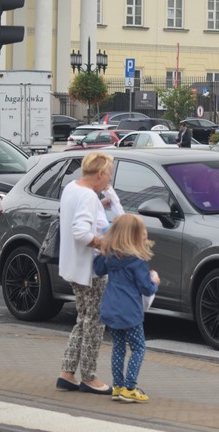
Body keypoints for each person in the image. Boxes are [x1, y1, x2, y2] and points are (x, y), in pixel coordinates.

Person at [56, 151, 122, 396]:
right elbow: (80, 232)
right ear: (100, 173)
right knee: (94, 322)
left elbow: (76, 217)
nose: (110, 181)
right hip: (91, 270)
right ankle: (90, 377)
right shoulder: (87, 196)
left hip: (73, 266)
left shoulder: (73, 188)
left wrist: (100, 204)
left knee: (83, 319)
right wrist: (105, 245)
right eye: (109, 175)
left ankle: (67, 372)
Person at [93, 213, 159, 403]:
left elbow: (98, 270)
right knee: (138, 347)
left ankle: (118, 386)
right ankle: (130, 387)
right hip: (130, 310)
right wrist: (154, 280)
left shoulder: (110, 256)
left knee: (118, 348)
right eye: (143, 230)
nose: (146, 233)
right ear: (135, 236)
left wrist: (102, 249)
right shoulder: (137, 261)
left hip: (111, 307)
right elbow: (146, 288)